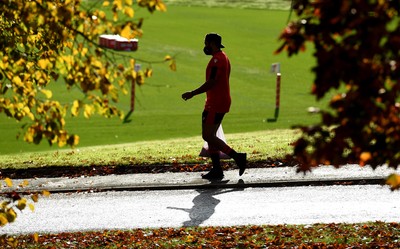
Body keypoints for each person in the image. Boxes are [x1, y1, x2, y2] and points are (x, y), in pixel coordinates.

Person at [182, 33, 246, 180]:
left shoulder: (217, 60)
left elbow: (212, 82)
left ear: (212, 43)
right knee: (211, 136)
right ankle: (217, 169)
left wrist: (192, 93)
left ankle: (237, 157)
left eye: (206, 44)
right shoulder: (223, 57)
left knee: (208, 135)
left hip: (216, 103)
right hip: (216, 101)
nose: (205, 47)